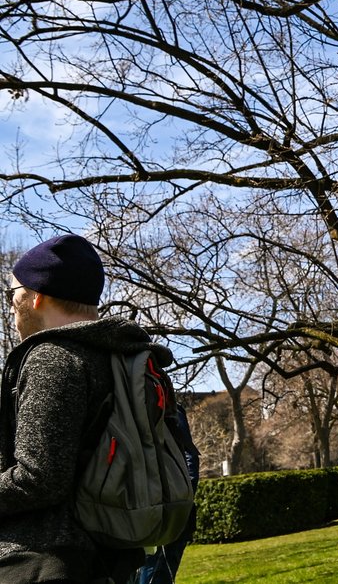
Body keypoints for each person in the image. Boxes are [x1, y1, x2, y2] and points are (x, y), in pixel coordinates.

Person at [0, 234, 159, 582]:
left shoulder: (51, 358)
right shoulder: (118, 354)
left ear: (37, 297)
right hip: (107, 555)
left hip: (42, 559)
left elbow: (40, 478)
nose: (12, 304)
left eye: (13, 294)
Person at [137, 403, 201, 584]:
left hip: (167, 515)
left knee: (156, 576)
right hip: (141, 516)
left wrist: (178, 506)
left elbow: (190, 461)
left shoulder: (167, 407)